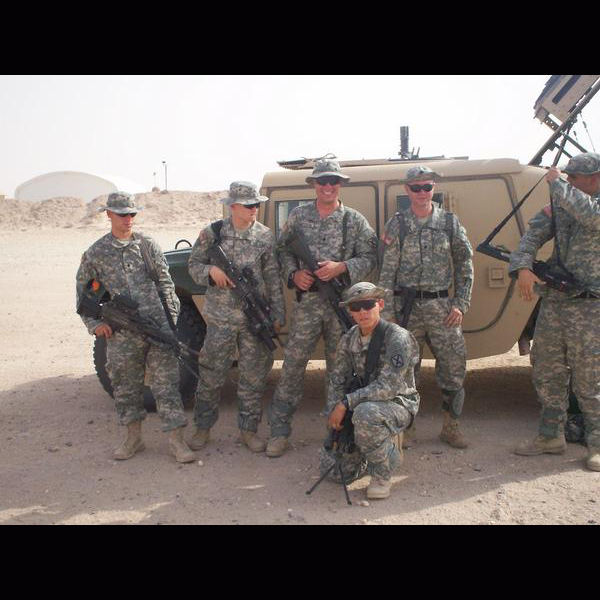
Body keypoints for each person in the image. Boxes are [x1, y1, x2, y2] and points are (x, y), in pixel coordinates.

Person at [266, 158, 378, 457]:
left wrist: (342, 267)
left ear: (340, 185)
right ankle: (279, 432)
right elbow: (281, 250)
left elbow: (370, 256)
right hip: (308, 305)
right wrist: (294, 275)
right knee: (292, 368)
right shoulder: (298, 216)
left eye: (333, 181)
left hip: (341, 306)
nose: (328, 186)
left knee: (339, 371)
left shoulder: (353, 220)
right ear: (314, 185)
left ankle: (335, 435)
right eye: (322, 181)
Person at [76, 192, 195, 463]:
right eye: (122, 214)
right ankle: (133, 439)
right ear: (109, 214)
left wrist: (170, 321)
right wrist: (95, 324)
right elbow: (84, 295)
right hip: (121, 334)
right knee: (126, 386)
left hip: (156, 328)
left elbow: (166, 284)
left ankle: (177, 441)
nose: (128, 219)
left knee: (167, 386)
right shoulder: (96, 253)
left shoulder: (147, 245)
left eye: (132, 214)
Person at [510, 153, 600, 472]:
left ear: (595, 177)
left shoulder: (580, 201)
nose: (569, 180)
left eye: (575, 177)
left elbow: (591, 217)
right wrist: (522, 267)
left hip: (590, 306)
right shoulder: (560, 203)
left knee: (590, 376)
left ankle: (597, 442)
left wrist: (558, 185)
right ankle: (550, 435)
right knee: (547, 369)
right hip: (556, 302)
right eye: (568, 176)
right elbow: (532, 235)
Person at [378, 165, 473, 448]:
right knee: (405, 370)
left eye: (427, 187)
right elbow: (387, 271)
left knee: (453, 368)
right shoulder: (397, 224)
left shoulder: (449, 223)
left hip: (443, 308)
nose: (422, 192)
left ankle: (451, 427)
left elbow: (465, 263)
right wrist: (388, 312)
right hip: (406, 309)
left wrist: (461, 303)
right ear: (407, 190)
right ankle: (407, 428)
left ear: (434, 188)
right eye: (416, 187)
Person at [187, 181, 285, 453]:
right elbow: (193, 265)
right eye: (249, 205)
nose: (254, 209)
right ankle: (202, 428)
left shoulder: (264, 235)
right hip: (221, 319)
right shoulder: (212, 233)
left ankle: (248, 431)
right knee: (211, 374)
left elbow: (272, 277)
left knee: (253, 378)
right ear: (233, 207)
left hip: (254, 319)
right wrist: (210, 272)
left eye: (257, 205)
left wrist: (277, 313)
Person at [321, 282, 420, 500]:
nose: (362, 312)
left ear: (380, 304)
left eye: (368, 305)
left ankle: (383, 471)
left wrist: (346, 403)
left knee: (365, 414)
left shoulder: (397, 338)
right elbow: (337, 379)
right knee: (337, 472)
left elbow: (389, 387)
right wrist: (334, 415)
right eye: (356, 307)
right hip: (362, 401)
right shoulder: (349, 338)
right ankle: (369, 451)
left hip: (397, 402)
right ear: (350, 312)